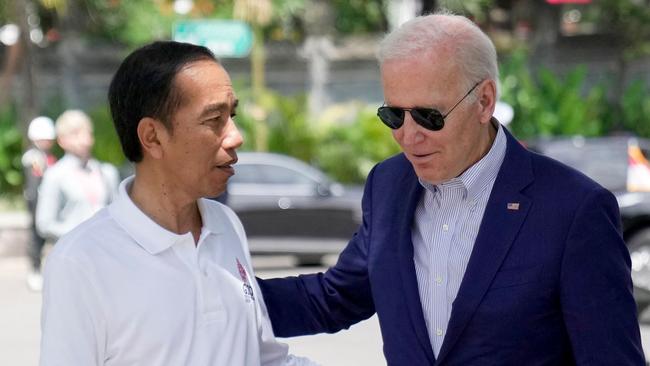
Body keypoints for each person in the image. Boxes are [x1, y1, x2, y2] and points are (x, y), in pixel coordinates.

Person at [257, 12, 646, 365]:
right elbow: (333, 299)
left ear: (484, 101)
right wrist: (214, 295)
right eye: (393, 115)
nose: (408, 136)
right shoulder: (388, 185)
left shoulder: (574, 209)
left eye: (429, 116)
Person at [40, 41, 317, 366]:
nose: (236, 135)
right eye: (214, 119)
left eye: (232, 115)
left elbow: (261, 356)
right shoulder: (81, 261)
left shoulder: (225, 225)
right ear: (152, 137)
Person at [35, 109, 119, 241]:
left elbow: (117, 215)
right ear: (61, 140)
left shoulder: (107, 172)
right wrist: (81, 235)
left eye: (87, 133)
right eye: (75, 134)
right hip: (72, 254)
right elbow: (45, 224)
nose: (84, 139)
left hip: (105, 251)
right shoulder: (55, 175)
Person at [21, 116, 57, 291]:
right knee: (36, 237)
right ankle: (34, 271)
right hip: (37, 201)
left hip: (47, 202)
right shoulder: (33, 156)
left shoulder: (48, 156)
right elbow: (34, 183)